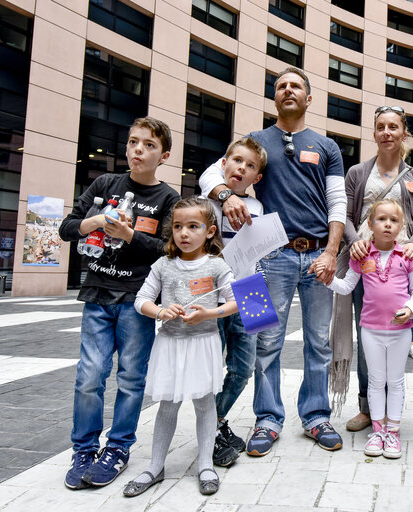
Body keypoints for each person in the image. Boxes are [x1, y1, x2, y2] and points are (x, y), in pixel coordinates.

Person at [200, 67, 347, 455]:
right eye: (281, 85)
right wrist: (224, 195)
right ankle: (267, 419)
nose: (288, 90)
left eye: (296, 85)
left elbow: (338, 204)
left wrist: (332, 251)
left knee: (318, 342)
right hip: (269, 259)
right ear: (275, 96)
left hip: (318, 256)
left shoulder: (327, 147)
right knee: (266, 340)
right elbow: (210, 174)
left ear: (309, 98)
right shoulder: (255, 142)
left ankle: (316, 416)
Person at [59, 117, 180, 490]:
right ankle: (83, 449)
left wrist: (128, 235)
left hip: (137, 300)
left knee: (130, 377)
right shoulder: (104, 185)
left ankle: (118, 447)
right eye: (132, 142)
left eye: (148, 145)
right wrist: (95, 221)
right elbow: (66, 228)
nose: (138, 150)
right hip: (97, 293)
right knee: (89, 375)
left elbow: (168, 250)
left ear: (164, 155)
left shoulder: (168, 199)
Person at [123, 197, 239, 497]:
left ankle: (204, 464)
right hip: (171, 343)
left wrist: (208, 313)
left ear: (210, 231)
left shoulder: (216, 265)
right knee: (168, 404)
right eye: (178, 226)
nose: (184, 233)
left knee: (204, 403)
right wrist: (161, 311)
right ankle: (155, 466)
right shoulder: (164, 265)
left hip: (203, 344)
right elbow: (141, 299)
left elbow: (236, 302)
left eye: (192, 226)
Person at [337, 105, 413, 433]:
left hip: (402, 266)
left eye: (393, 127)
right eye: (381, 127)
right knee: (369, 335)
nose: (387, 132)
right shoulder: (357, 173)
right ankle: (367, 406)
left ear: (404, 133)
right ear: (374, 133)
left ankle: (392, 407)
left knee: (398, 334)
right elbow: (346, 216)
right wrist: (352, 241)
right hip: (366, 263)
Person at [323, 199, 413, 459]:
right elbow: (346, 287)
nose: (387, 225)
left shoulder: (408, 256)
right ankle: (378, 430)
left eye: (393, 220)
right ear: (370, 224)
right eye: (381, 219)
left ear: (401, 225)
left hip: (401, 331)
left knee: (396, 380)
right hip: (370, 329)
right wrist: (328, 280)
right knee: (376, 381)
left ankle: (393, 431)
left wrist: (411, 309)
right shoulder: (362, 255)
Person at [207, 137, 267, 466]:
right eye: (237, 161)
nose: (241, 168)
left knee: (243, 369)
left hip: (252, 289)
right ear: (224, 165)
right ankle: (213, 430)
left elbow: (260, 252)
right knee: (211, 365)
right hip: (213, 292)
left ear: (256, 178)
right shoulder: (208, 200)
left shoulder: (258, 208)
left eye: (250, 165)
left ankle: (215, 421)